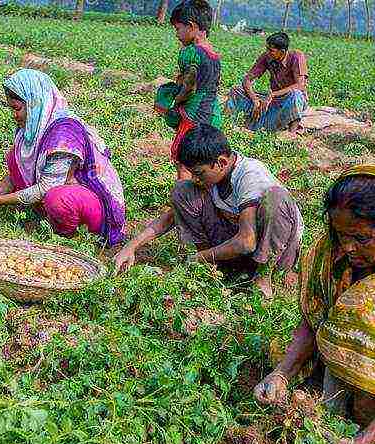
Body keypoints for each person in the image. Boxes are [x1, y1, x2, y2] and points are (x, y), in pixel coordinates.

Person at [254, 163, 375, 444]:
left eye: (361, 238)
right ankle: (335, 403)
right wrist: (281, 373)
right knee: (281, 352)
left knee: (373, 296)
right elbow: (313, 320)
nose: (348, 247)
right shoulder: (333, 253)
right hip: (359, 356)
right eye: (341, 235)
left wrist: (359, 443)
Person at [114, 125, 303, 297]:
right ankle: (212, 267)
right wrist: (131, 246)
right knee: (183, 191)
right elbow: (169, 218)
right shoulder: (216, 177)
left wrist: (197, 258)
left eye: (199, 173)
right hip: (236, 248)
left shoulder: (250, 175)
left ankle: (263, 277)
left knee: (276, 198)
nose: (196, 179)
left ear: (221, 162)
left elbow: (247, 242)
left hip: (274, 253)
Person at [0, 69, 126, 246]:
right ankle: (47, 215)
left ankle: (67, 237)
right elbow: (16, 172)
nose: (14, 116)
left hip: (93, 204)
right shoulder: (33, 127)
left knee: (57, 199)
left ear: (34, 103)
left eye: (17, 109)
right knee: (15, 156)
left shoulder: (64, 135)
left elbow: (45, 188)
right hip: (61, 189)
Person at [158, 0, 221, 180]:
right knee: (204, 161)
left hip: (193, 115)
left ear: (191, 26)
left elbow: (189, 87)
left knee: (184, 161)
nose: (177, 34)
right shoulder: (214, 54)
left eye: (178, 29)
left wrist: (174, 102)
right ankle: (201, 202)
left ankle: (183, 204)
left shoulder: (190, 52)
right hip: (212, 114)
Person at [225, 32, 308, 135]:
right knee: (236, 91)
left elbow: (300, 85)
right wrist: (255, 99)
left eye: (271, 50)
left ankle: (292, 132)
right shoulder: (267, 57)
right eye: (267, 49)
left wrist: (273, 94)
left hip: (287, 98)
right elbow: (247, 80)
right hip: (272, 99)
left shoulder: (297, 57)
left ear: (282, 51)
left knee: (296, 94)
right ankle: (228, 124)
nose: (267, 52)